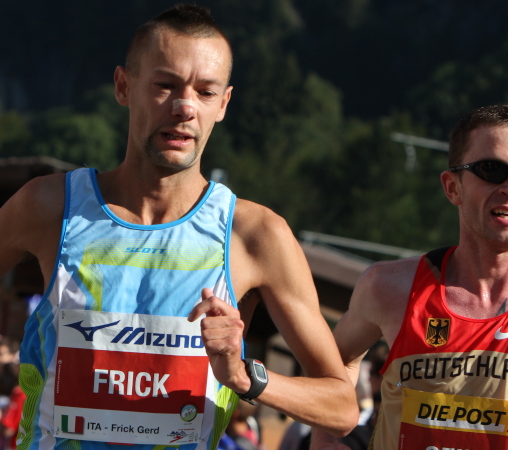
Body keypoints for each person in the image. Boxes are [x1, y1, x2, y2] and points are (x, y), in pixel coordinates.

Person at [0, 4, 357, 449]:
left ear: (223, 104)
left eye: (205, 92)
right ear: (123, 86)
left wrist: (242, 376)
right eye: (165, 85)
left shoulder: (255, 235)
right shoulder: (49, 206)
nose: (185, 107)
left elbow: (341, 408)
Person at [311, 104, 508, 449]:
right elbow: (330, 366)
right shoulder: (388, 288)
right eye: (491, 169)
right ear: (452, 187)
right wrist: (325, 442)